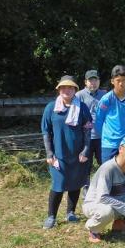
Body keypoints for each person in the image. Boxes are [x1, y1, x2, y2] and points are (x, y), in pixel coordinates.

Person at [41, 75, 92, 229]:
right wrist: (49, 153)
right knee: (58, 184)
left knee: (75, 183)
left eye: (70, 87)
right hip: (59, 155)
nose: (67, 90)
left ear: (75, 90)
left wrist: (86, 149)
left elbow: (88, 129)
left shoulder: (82, 107)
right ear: (59, 90)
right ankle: (51, 216)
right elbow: (46, 132)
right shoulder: (51, 108)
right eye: (63, 87)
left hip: (77, 155)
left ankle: (70, 212)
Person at [82, 135, 125, 243]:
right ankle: (93, 229)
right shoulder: (108, 168)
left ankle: (121, 224)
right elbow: (103, 197)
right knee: (106, 211)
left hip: (117, 199)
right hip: (95, 203)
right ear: (120, 149)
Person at [95, 65, 125, 163]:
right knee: (108, 173)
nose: (121, 83)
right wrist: (106, 136)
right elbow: (98, 120)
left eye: (124, 80)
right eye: (118, 80)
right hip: (109, 144)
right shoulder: (106, 99)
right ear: (112, 81)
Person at [76, 70, 107, 195]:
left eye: (95, 80)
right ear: (85, 82)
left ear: (99, 81)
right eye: (90, 80)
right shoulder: (79, 96)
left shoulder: (105, 95)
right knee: (85, 164)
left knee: (103, 163)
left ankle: (102, 186)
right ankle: (86, 188)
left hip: (102, 136)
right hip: (86, 137)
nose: (93, 83)